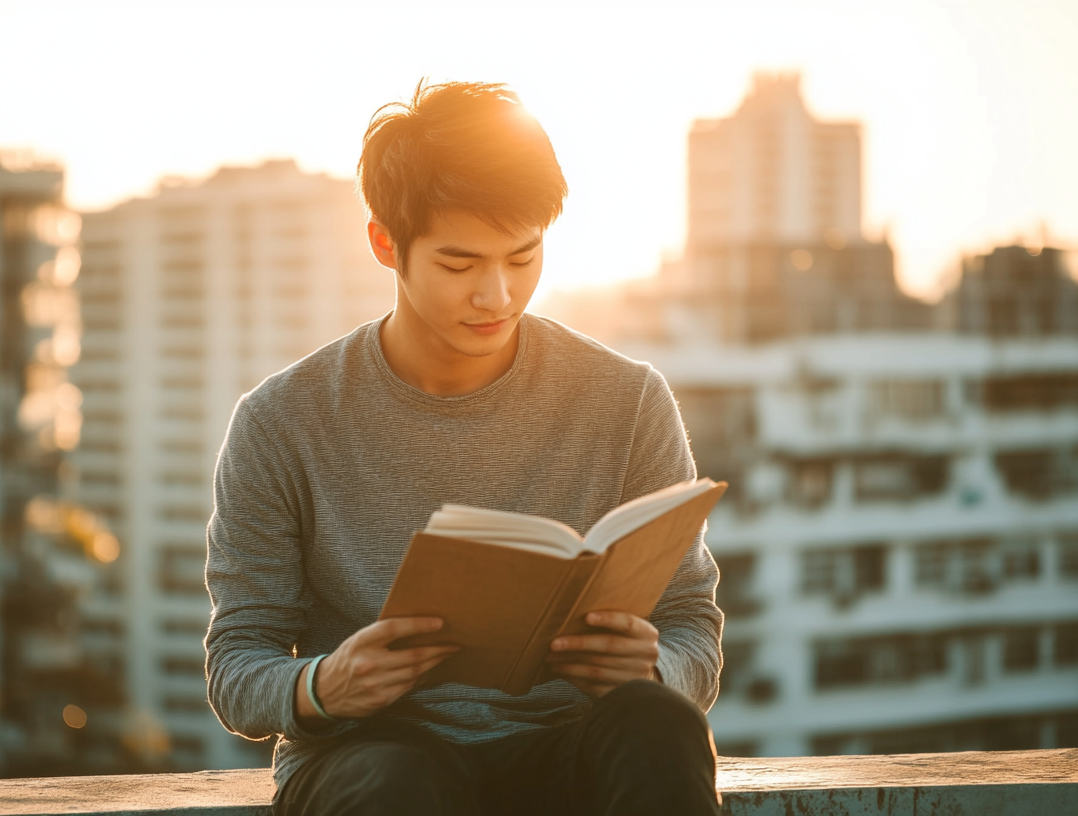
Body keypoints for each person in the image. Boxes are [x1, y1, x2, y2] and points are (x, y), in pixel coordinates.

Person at [205, 80, 724, 816]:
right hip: (375, 758)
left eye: (523, 256)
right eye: (459, 264)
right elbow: (236, 665)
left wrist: (656, 670)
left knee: (661, 722)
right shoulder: (282, 421)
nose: (498, 295)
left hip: (566, 745)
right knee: (398, 784)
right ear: (386, 242)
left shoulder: (628, 400)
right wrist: (321, 686)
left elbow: (693, 627)